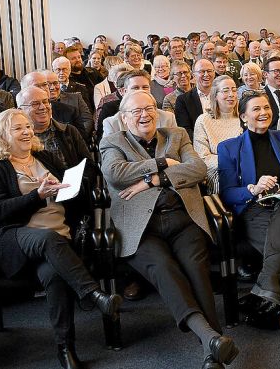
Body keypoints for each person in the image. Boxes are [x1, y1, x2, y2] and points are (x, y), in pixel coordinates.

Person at [100, 91, 238, 369]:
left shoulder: (176, 135)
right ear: (124, 118)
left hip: (182, 218)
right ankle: (211, 338)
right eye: (136, 111)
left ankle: (211, 353)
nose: (144, 115)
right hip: (141, 228)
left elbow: (198, 169)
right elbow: (115, 173)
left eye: (149, 108)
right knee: (164, 269)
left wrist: (152, 181)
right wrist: (163, 163)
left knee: (197, 269)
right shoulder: (112, 141)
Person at [0, 109, 121, 369]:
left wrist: (68, 187)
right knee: (47, 239)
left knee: (54, 275)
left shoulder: (43, 157)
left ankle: (65, 348)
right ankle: (93, 294)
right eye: (18, 128)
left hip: (58, 243)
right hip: (15, 239)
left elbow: (74, 198)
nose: (27, 132)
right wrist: (38, 196)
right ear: (2, 135)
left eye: (28, 127)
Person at [217, 91, 280, 347]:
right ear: (243, 116)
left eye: (266, 107)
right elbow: (228, 193)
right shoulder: (228, 147)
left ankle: (273, 290)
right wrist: (253, 188)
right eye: (256, 109)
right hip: (255, 209)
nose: (263, 112)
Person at [193, 75, 242, 194]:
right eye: (225, 91)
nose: (231, 94)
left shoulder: (244, 117)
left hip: (246, 168)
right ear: (215, 95)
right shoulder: (203, 120)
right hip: (218, 171)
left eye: (234, 90)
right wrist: (232, 163)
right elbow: (203, 157)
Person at [174, 59, 216, 139]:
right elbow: (185, 130)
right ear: (194, 75)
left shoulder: (222, 96)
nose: (206, 74)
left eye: (209, 71)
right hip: (197, 144)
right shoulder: (183, 100)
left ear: (214, 73)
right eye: (202, 71)